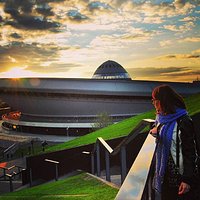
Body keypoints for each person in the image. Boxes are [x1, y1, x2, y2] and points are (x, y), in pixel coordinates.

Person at [149, 84, 197, 200]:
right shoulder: (162, 119)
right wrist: (156, 131)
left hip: (180, 178)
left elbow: (190, 152)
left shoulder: (183, 121)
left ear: (163, 102)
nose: (153, 103)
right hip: (165, 176)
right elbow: (159, 129)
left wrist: (187, 180)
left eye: (155, 100)